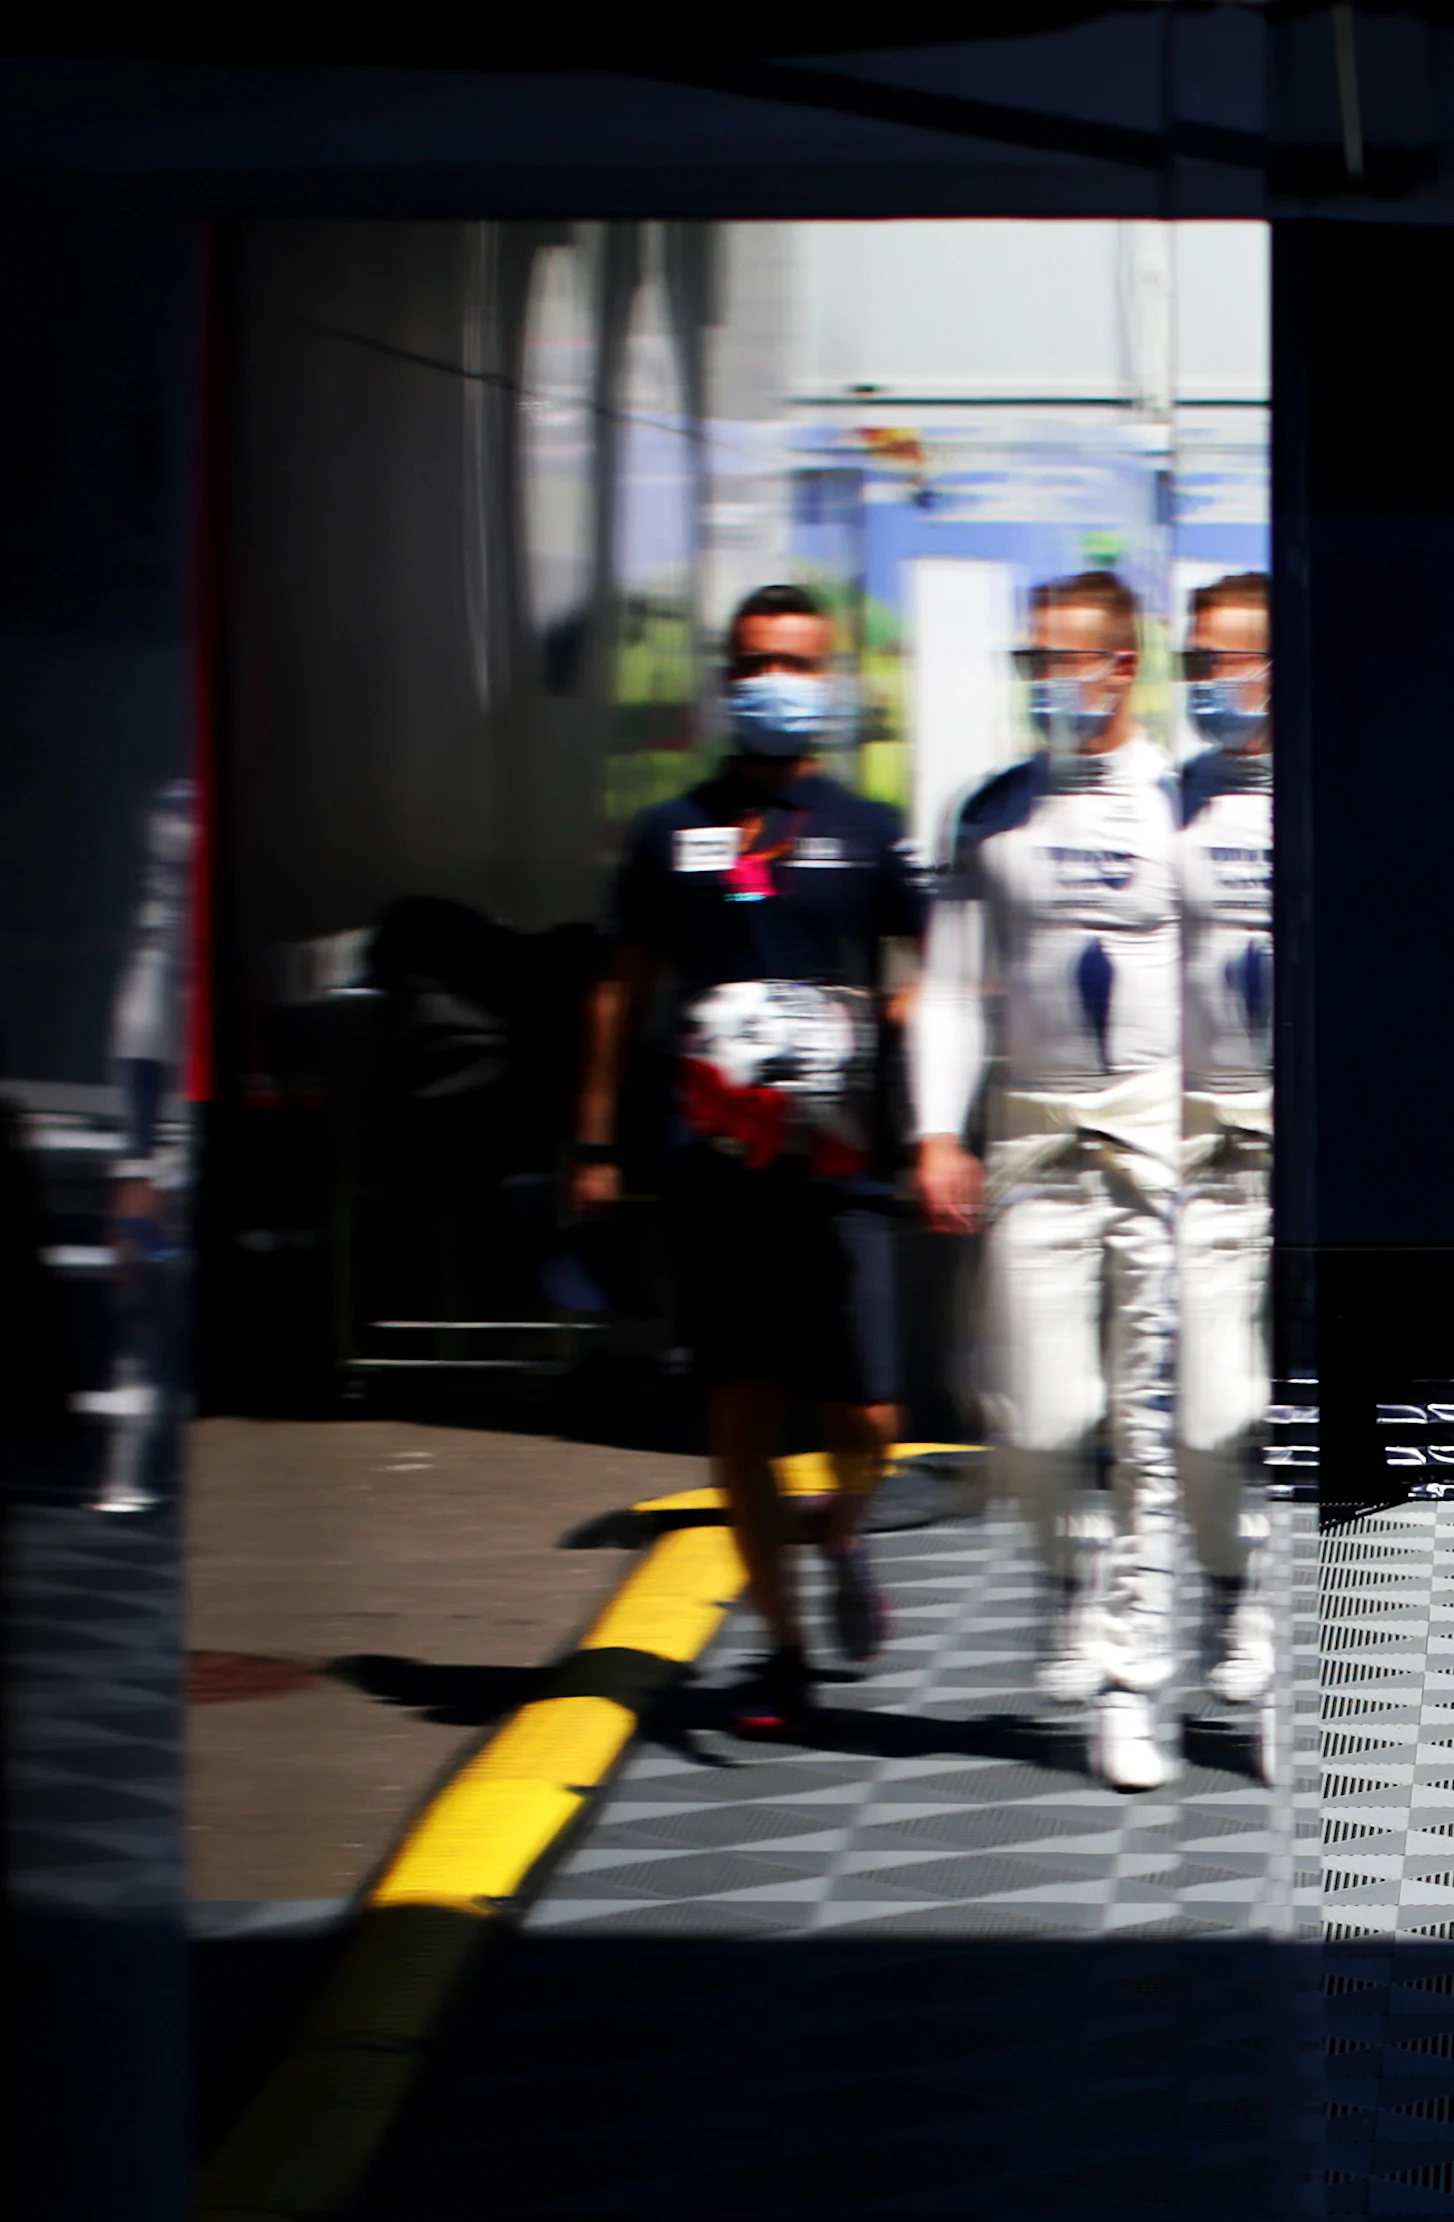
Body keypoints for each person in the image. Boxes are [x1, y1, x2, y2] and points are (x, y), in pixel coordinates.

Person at [570, 584, 921, 1733]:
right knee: (739, 1412)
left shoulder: (869, 830)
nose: (779, 682)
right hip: (716, 1170)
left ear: (830, 681)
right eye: (759, 662)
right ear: (729, 680)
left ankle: (843, 1526)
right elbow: (619, 991)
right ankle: (781, 1651)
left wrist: (899, 1049)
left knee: (868, 1420)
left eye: (799, 663)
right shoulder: (669, 832)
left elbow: (935, 963)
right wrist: (594, 1140)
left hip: (840, 1169)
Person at [913, 570, 1241, 1792]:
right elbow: (951, 981)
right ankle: (1072, 1577)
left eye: (1062, 657)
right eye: (1030, 660)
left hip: (1165, 1154)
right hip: (1034, 1149)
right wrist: (936, 1130)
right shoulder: (991, 811)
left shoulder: (1186, 804)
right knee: (1041, 1423)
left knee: (1156, 1423)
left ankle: (1131, 1678)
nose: (1044, 680)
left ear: (1120, 666)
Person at [1169, 572, 1277, 1720]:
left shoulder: (1333, 806)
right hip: (1203, 1155)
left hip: (1318, 1162)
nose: (1208, 680)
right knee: (1206, 1414)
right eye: (1195, 660)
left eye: (1228, 658)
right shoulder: (1165, 809)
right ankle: (1229, 1588)